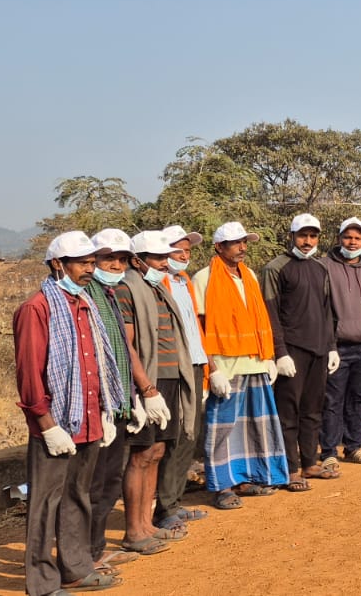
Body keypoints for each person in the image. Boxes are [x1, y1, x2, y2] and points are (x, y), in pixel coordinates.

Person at [15, 231, 121, 594]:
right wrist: (46, 424)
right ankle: (42, 583)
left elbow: (96, 364)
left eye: (92, 262)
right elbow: (30, 373)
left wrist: (104, 410)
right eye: (82, 263)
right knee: (45, 504)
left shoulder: (84, 304)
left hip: (87, 417)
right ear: (58, 264)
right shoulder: (37, 308)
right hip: (56, 422)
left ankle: (74, 568)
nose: (90, 269)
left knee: (78, 496)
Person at [84, 229, 165, 570]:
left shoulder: (109, 295)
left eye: (120, 259)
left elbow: (121, 350)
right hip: (96, 403)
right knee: (92, 485)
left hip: (117, 399)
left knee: (107, 482)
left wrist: (133, 396)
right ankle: (85, 557)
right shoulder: (87, 297)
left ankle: (94, 551)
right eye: (108, 259)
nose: (116, 265)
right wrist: (143, 390)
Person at [195, 221, 290, 508]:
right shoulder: (203, 278)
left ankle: (248, 478)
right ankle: (222, 486)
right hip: (225, 366)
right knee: (223, 428)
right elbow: (199, 327)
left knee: (253, 427)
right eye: (236, 242)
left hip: (254, 362)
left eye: (244, 242)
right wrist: (212, 370)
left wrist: (269, 357)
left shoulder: (249, 275)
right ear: (219, 247)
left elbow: (259, 317)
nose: (242, 247)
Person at [119, 231, 198, 548]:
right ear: (137, 260)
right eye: (156, 258)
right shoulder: (128, 289)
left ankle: (146, 524)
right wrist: (146, 389)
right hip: (149, 381)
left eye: (165, 257)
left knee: (158, 451)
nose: (164, 263)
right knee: (140, 454)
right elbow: (127, 345)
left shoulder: (158, 288)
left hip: (169, 377)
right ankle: (133, 531)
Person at [260, 214, 341, 490]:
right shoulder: (275, 268)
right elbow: (270, 313)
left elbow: (327, 311)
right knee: (288, 412)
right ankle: (290, 469)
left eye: (313, 236)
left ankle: (309, 462)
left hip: (318, 349)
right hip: (291, 350)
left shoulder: (320, 268)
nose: (308, 241)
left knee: (313, 409)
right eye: (302, 235)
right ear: (292, 236)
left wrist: (331, 347)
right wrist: (279, 352)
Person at [152, 225, 209, 531]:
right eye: (178, 250)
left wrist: (208, 366)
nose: (184, 256)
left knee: (189, 434)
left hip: (195, 363)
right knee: (172, 437)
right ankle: (163, 508)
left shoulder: (184, 281)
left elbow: (194, 325)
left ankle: (174, 502)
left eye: (187, 251)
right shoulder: (158, 284)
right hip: (173, 368)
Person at [320, 217, 361, 469]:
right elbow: (321, 309)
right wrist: (329, 346)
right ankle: (328, 450)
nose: (352, 242)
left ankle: (354, 446)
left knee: (359, 399)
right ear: (339, 238)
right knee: (332, 400)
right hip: (337, 347)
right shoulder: (324, 267)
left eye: (358, 238)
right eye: (348, 237)